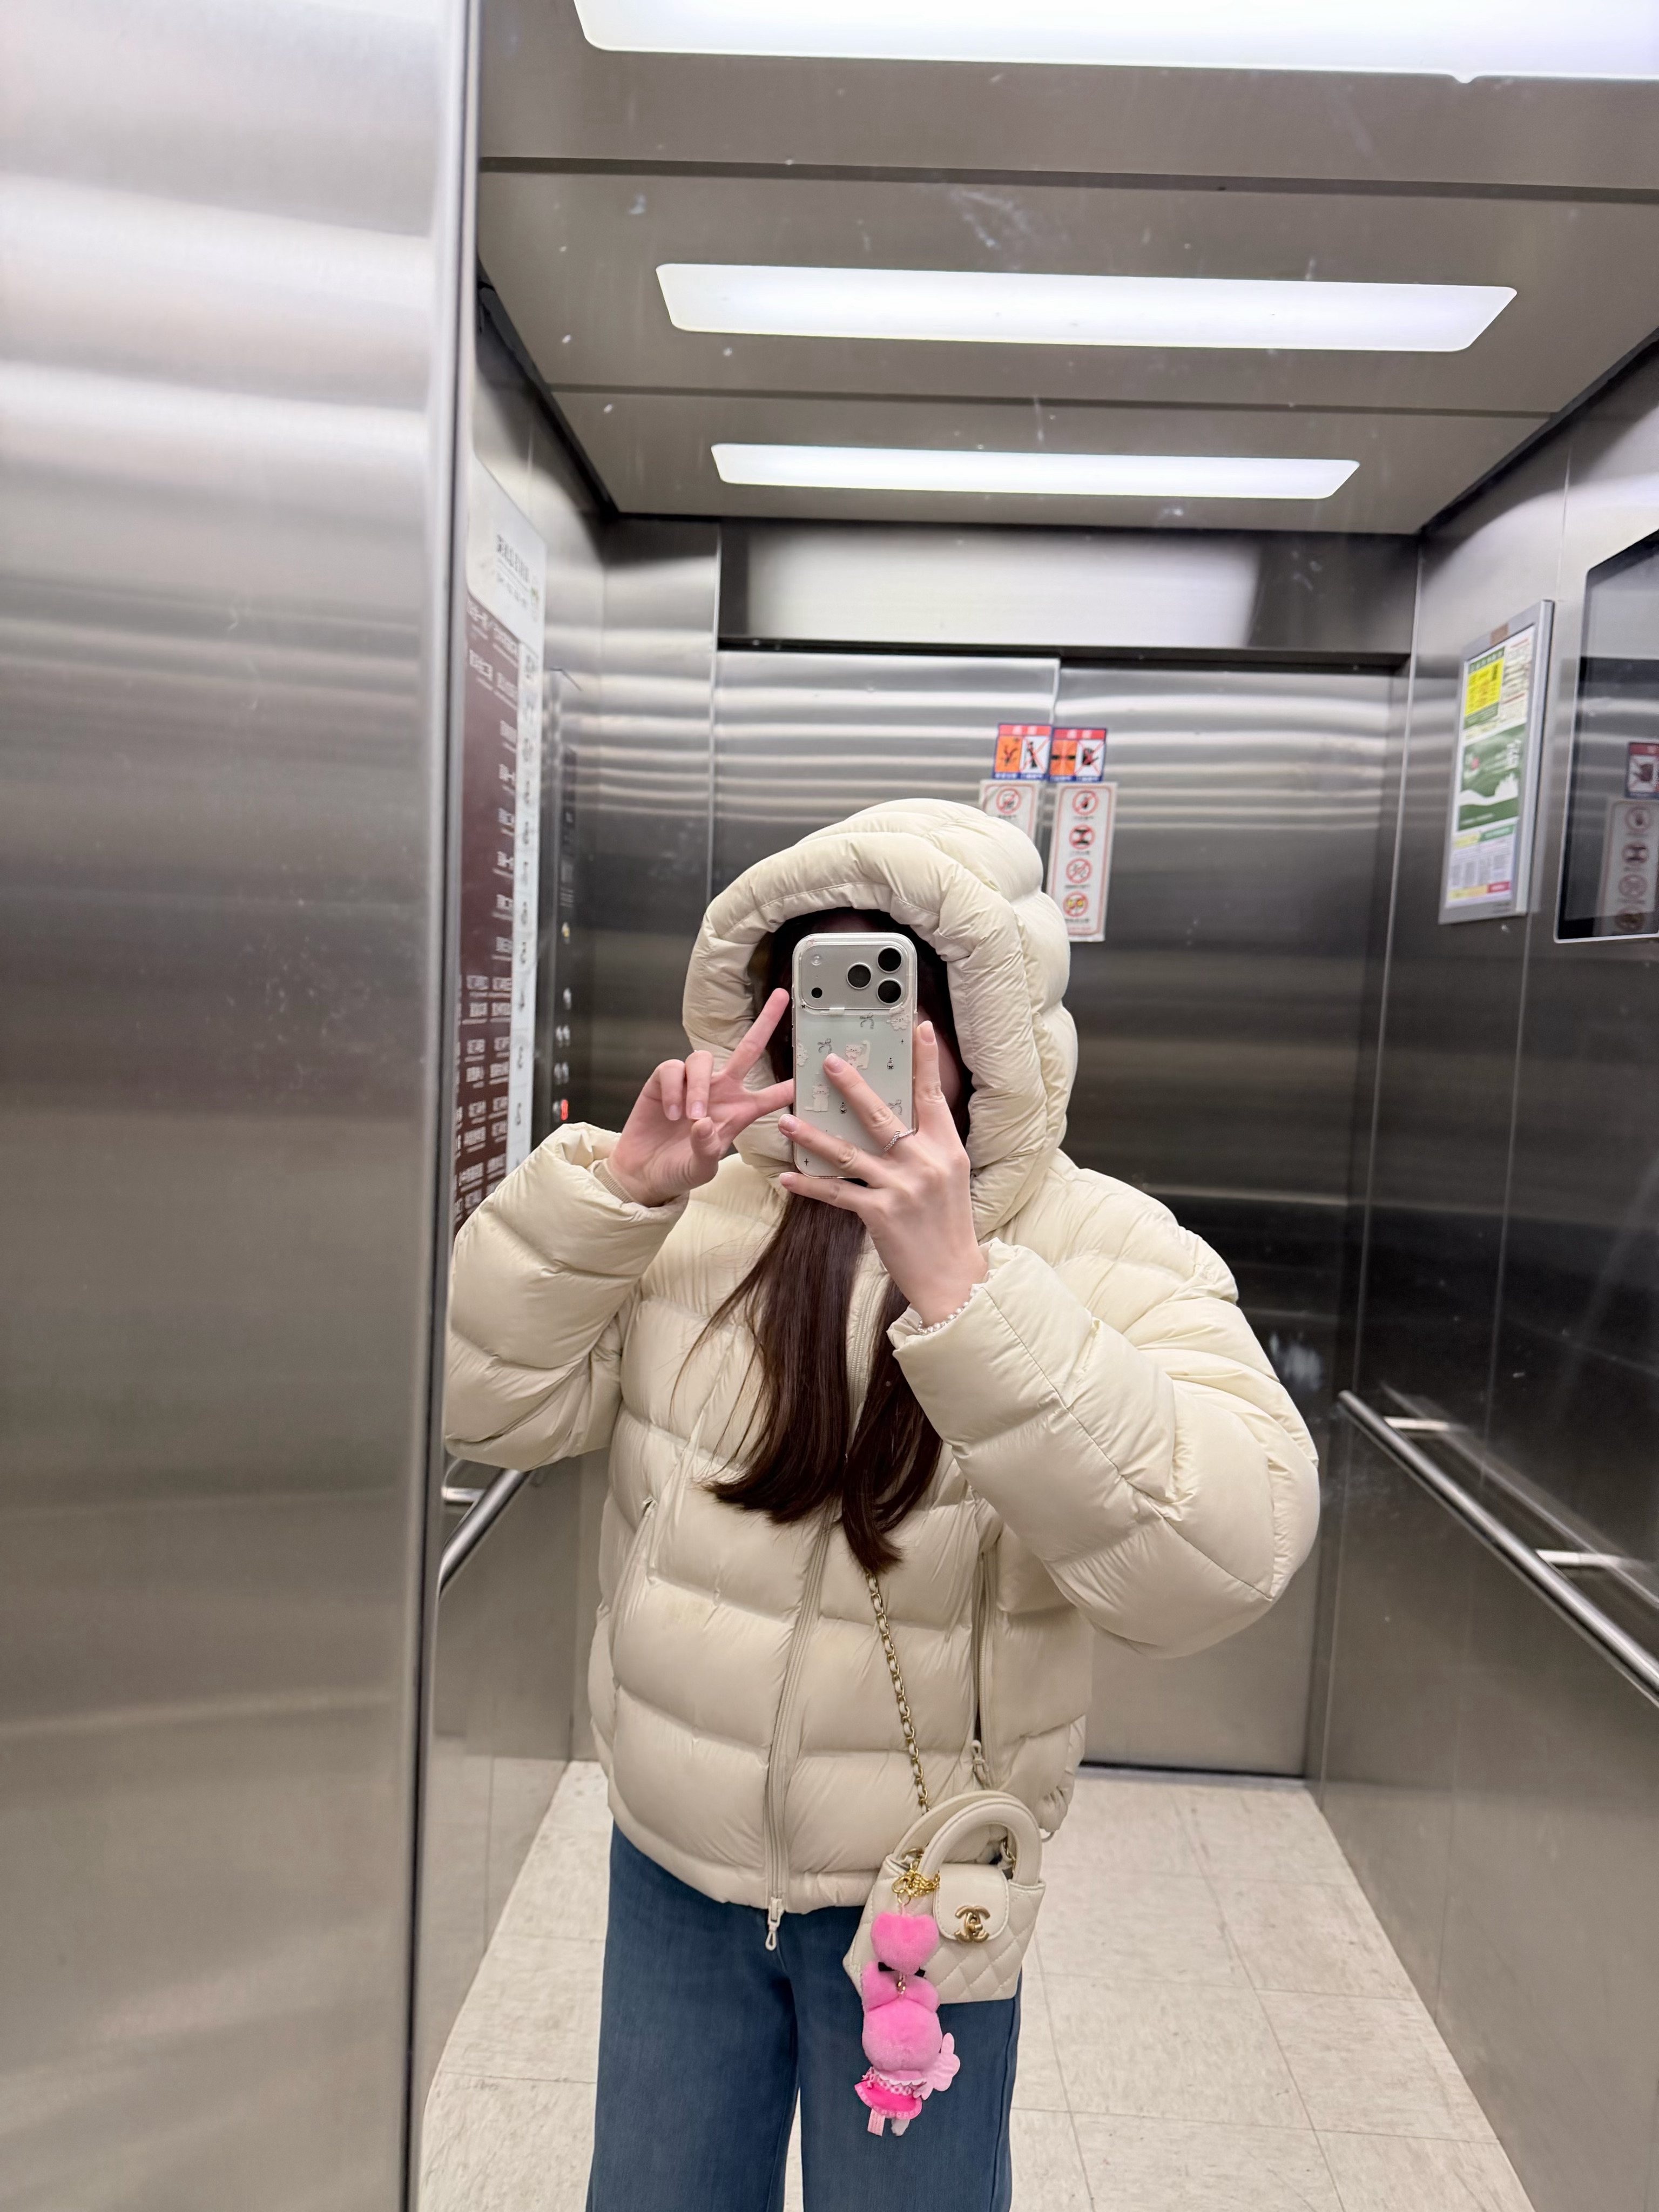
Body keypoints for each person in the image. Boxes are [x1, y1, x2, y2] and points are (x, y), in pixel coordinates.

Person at [445, 798, 1319, 2212]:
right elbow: (480, 1405)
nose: (855, 1041)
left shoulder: (1098, 1246)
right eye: (822, 995)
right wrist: (611, 1200)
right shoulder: (692, 1219)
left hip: (922, 1897)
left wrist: (971, 1296)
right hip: (674, 1865)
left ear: (989, 1033)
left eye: (902, 997)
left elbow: (1223, 1561)